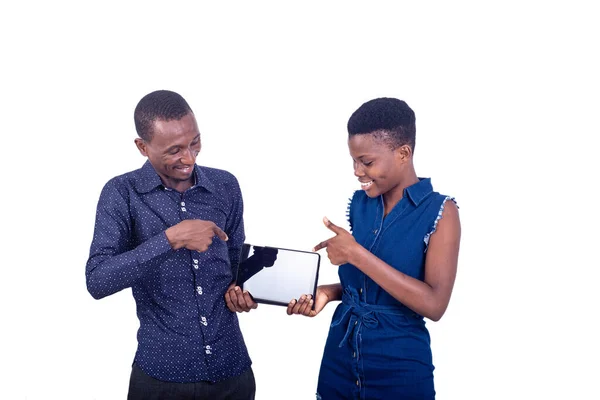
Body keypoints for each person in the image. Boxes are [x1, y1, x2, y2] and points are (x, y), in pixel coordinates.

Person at [85, 90, 258, 400]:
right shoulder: (121, 193)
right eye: (175, 150)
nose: (189, 158)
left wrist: (242, 292)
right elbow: (98, 280)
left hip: (232, 371)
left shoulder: (225, 185)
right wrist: (171, 239)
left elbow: (236, 264)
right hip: (161, 378)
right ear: (142, 147)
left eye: (195, 143)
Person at [287, 97, 461, 399]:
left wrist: (356, 254)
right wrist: (328, 293)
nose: (357, 171)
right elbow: (366, 287)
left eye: (366, 162)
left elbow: (435, 305)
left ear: (403, 153)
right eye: (353, 160)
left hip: (400, 369)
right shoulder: (360, 204)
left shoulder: (441, 211)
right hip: (339, 363)